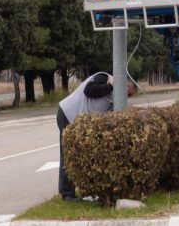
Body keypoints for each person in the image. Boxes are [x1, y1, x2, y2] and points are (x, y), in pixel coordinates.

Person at [57, 72, 137, 201]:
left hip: (79, 121)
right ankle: (67, 194)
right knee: (68, 154)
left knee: (84, 155)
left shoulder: (116, 100)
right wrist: (111, 86)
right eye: (128, 92)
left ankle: (87, 190)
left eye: (130, 95)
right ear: (124, 85)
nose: (128, 96)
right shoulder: (104, 77)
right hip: (68, 114)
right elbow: (89, 90)